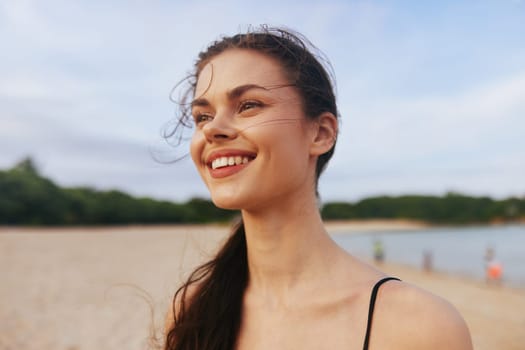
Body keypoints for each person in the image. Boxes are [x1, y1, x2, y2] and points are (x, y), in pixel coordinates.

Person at [164, 26, 472, 350]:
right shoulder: (191, 314)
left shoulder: (420, 328)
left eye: (248, 105)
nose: (213, 128)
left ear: (321, 133)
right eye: (202, 116)